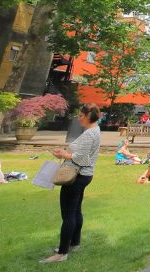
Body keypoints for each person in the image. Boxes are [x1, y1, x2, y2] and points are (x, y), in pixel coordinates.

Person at [40, 103, 102, 264]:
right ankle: (74, 243)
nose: (79, 118)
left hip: (76, 176)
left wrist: (64, 154)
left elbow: (81, 158)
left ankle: (62, 253)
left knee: (68, 214)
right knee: (75, 211)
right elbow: (81, 154)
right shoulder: (94, 130)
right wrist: (66, 154)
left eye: (81, 115)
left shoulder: (90, 133)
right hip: (83, 175)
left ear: (89, 116)